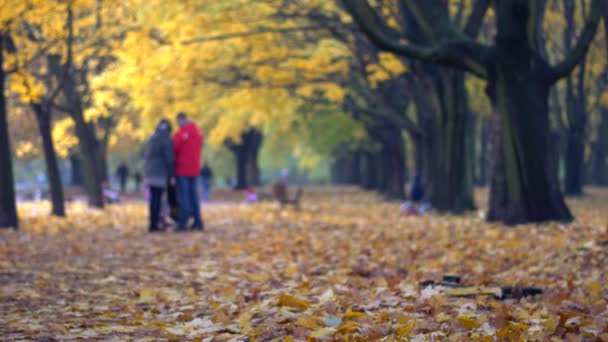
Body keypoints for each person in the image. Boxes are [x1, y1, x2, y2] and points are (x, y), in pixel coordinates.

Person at [173, 112, 204, 231]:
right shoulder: (198, 132)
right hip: (195, 169)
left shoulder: (180, 134)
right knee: (194, 196)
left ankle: (183, 222)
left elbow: (174, 149)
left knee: (184, 197)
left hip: (182, 169)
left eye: (177, 121)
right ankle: (198, 221)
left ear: (180, 119)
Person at [143, 119, 174, 232]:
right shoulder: (165, 139)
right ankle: (155, 224)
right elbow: (169, 159)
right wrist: (171, 175)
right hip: (160, 173)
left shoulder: (152, 137)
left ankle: (152, 222)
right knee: (158, 198)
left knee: (153, 199)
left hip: (149, 172)